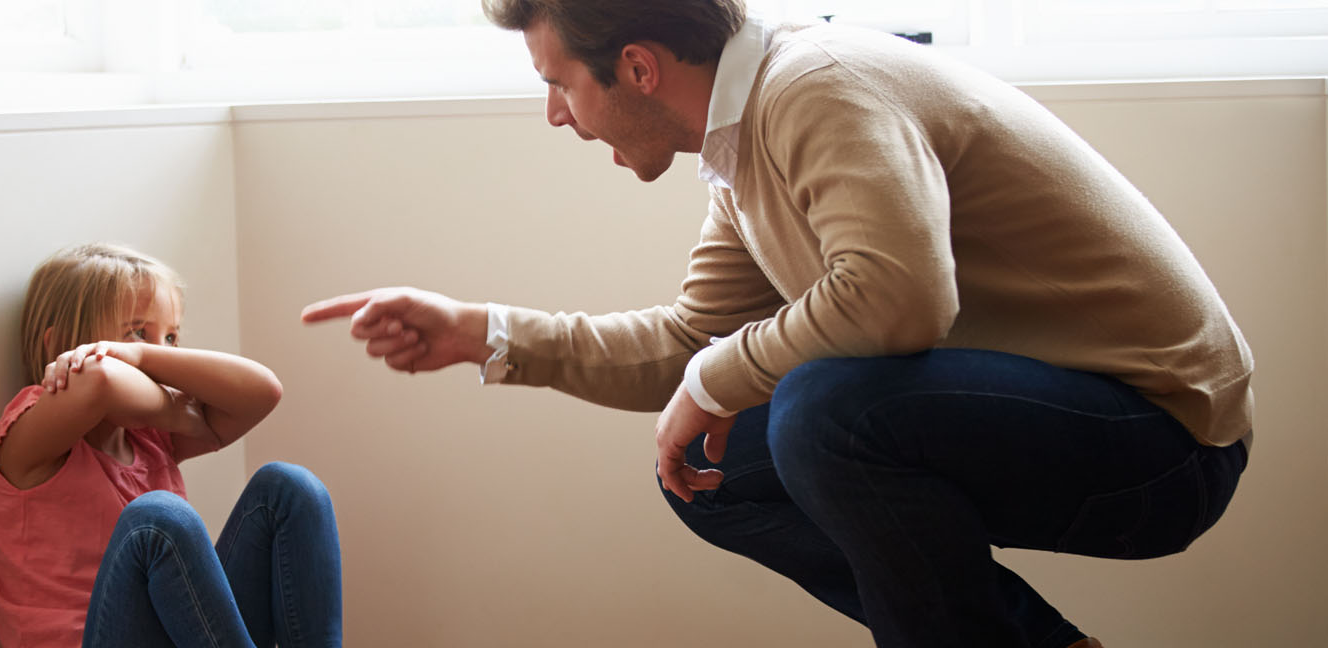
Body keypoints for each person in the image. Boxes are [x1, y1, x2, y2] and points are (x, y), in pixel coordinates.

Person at [299, 1, 1252, 646]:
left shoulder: (817, 86)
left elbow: (898, 297)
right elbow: (688, 345)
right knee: (713, 472)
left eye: (560, 84)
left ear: (636, 67)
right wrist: (486, 331)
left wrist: (715, 377)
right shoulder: (740, 138)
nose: (556, 115)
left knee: (821, 412)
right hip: (1065, 424)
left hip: (1163, 440)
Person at [0, 243, 342, 647]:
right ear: (60, 347)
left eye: (170, 338)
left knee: (289, 488)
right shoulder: (31, 436)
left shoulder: (150, 440)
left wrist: (137, 353)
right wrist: (176, 411)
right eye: (137, 332)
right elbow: (99, 380)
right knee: (158, 519)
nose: (157, 354)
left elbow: (263, 391)